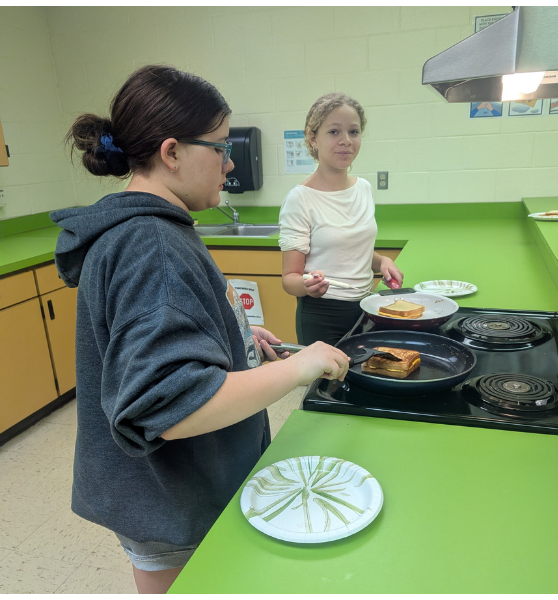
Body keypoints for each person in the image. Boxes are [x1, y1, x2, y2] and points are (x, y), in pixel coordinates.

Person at [50, 65, 349, 594]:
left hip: (162, 493)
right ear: (171, 152)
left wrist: (233, 339)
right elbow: (172, 405)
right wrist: (303, 367)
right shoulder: (151, 244)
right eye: (219, 147)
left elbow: (157, 336)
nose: (230, 163)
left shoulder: (143, 228)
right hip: (173, 503)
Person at [278, 92, 404, 346]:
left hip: (367, 310)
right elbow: (290, 278)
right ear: (313, 139)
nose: (346, 141)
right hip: (322, 317)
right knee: (327, 385)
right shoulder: (300, 199)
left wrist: (381, 261)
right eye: (334, 132)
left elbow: (351, 252)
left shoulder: (364, 189)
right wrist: (307, 285)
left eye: (353, 132)